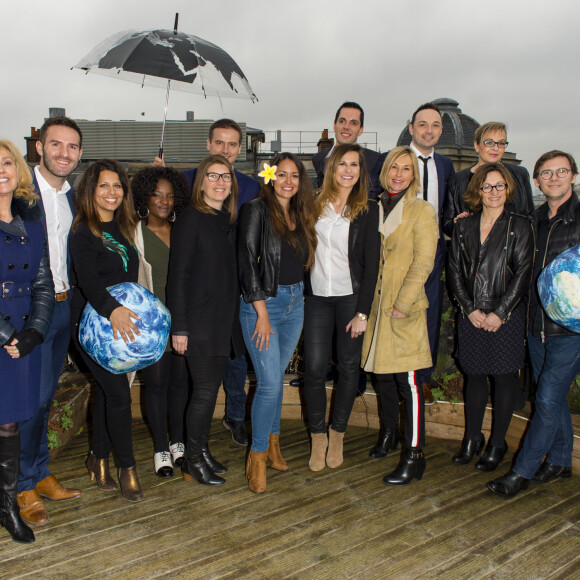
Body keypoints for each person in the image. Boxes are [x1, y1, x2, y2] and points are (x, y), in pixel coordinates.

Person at [157, 119, 260, 446]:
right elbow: (179, 273)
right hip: (198, 311)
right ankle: (190, 451)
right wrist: (181, 326)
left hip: (227, 306)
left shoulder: (242, 199)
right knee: (199, 389)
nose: (225, 151)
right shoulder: (188, 199)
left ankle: (216, 434)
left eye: (232, 145)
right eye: (220, 143)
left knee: (222, 375)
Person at [488, 150, 580, 498]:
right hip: (535, 325)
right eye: (546, 173)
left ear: (573, 176)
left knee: (545, 398)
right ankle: (559, 461)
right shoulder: (532, 219)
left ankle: (520, 473)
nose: (554, 178)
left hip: (572, 332)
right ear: (537, 180)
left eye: (561, 171)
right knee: (550, 398)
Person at [17, 116, 83, 527]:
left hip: (65, 307)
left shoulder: (75, 198)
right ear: (39, 146)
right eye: (56, 145)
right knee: (30, 400)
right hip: (29, 312)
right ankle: (23, 483)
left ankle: (39, 473)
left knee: (47, 396)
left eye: (72, 147)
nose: (64, 154)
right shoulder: (20, 197)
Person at [238, 153, 317, 493]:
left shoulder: (302, 214)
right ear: (270, 176)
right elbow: (246, 263)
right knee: (269, 384)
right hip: (263, 305)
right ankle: (256, 457)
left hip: (295, 303)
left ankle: (273, 445)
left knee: (276, 381)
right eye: (281, 174)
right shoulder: (255, 210)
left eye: (294, 175)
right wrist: (262, 314)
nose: (288, 181)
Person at [447, 163, 533, 471]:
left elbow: (523, 273)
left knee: (503, 376)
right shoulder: (463, 226)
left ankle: (498, 442)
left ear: (508, 190)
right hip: (471, 313)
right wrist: (469, 309)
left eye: (499, 186)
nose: (493, 192)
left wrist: (500, 312)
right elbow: (454, 271)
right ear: (477, 191)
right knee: (474, 375)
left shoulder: (521, 225)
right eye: (487, 186)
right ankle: (472, 438)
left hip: (505, 315)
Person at [361, 146, 438, 485]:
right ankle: (390, 434)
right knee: (383, 377)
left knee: (409, 383)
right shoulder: (372, 207)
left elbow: (424, 261)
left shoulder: (421, 210)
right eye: (394, 167)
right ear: (385, 170)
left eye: (406, 169)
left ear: (413, 175)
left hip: (402, 308)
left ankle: (415, 455)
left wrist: (404, 303)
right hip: (377, 309)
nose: (399, 173)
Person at [166, 155, 243, 486]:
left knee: (208, 393)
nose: (220, 182)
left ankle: (202, 450)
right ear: (201, 182)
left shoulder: (225, 218)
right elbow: (178, 277)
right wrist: (180, 327)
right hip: (198, 323)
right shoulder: (190, 218)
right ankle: (193, 460)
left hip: (221, 321)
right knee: (205, 393)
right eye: (213, 176)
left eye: (226, 177)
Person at [70, 159, 143, 502]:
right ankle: (126, 467)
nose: (112, 192)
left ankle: (96, 458)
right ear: (91, 190)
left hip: (120, 326)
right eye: (104, 185)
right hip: (90, 325)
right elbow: (88, 282)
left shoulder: (125, 227)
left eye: (118, 186)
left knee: (106, 392)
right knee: (118, 395)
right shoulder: (83, 232)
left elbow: (127, 280)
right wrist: (113, 312)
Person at [303, 144, 380, 471]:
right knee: (315, 369)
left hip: (351, 297)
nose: (348, 170)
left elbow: (372, 262)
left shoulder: (369, 208)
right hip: (317, 297)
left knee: (349, 368)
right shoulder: (311, 205)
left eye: (355, 165)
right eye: (342, 164)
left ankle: (338, 434)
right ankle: (317, 437)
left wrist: (363, 312)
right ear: (331, 168)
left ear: (361, 171)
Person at [0, 141, 54, 543]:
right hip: (3, 333)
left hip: (22, 333)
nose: (1, 170)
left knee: (11, 420)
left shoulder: (30, 221)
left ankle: (6, 507)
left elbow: (42, 281)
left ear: (18, 169)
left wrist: (34, 331)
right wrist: (6, 334)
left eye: (6, 162)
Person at [131, 167, 190, 477]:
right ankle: (160, 449)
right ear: (144, 196)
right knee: (156, 385)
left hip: (181, 319)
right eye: (156, 194)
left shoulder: (182, 228)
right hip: (151, 323)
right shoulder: (133, 232)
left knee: (180, 384)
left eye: (169, 195)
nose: (164, 201)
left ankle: (178, 442)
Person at [408, 102, 455, 405]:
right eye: (423, 124)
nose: (429, 130)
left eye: (435, 125)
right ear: (411, 128)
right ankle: (399, 378)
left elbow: (448, 209)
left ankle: (423, 378)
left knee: (430, 316)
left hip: (433, 250)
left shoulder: (446, 166)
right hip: (401, 250)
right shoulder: (394, 160)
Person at [442, 121, 534, 238]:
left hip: (513, 249)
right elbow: (447, 223)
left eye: (501, 143)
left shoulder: (520, 175)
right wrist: (458, 224)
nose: (495, 148)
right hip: (473, 251)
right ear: (476, 145)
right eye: (489, 142)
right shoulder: (457, 180)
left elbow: (530, 216)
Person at [312, 102, 383, 199]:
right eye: (342, 121)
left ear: (361, 130)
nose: (346, 127)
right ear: (334, 125)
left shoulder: (375, 160)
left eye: (353, 123)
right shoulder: (318, 158)